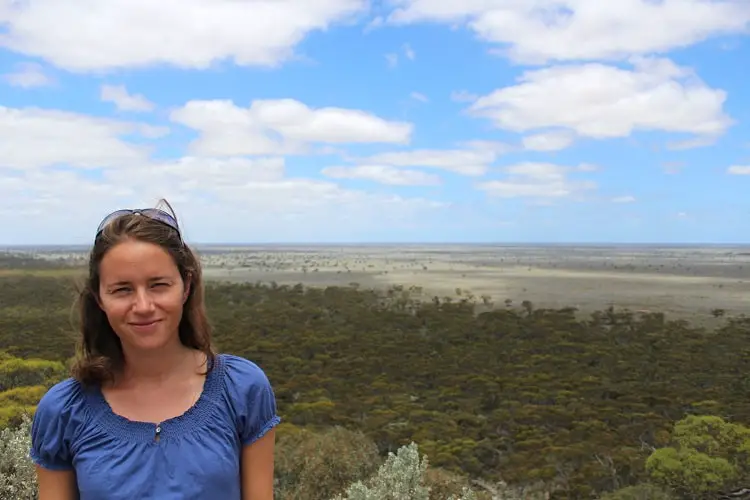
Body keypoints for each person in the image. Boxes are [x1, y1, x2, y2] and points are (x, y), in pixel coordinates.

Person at [30, 200, 280, 500]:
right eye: (122, 289)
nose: (144, 306)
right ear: (99, 298)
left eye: (158, 285)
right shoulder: (63, 412)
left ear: (185, 287)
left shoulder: (241, 390)